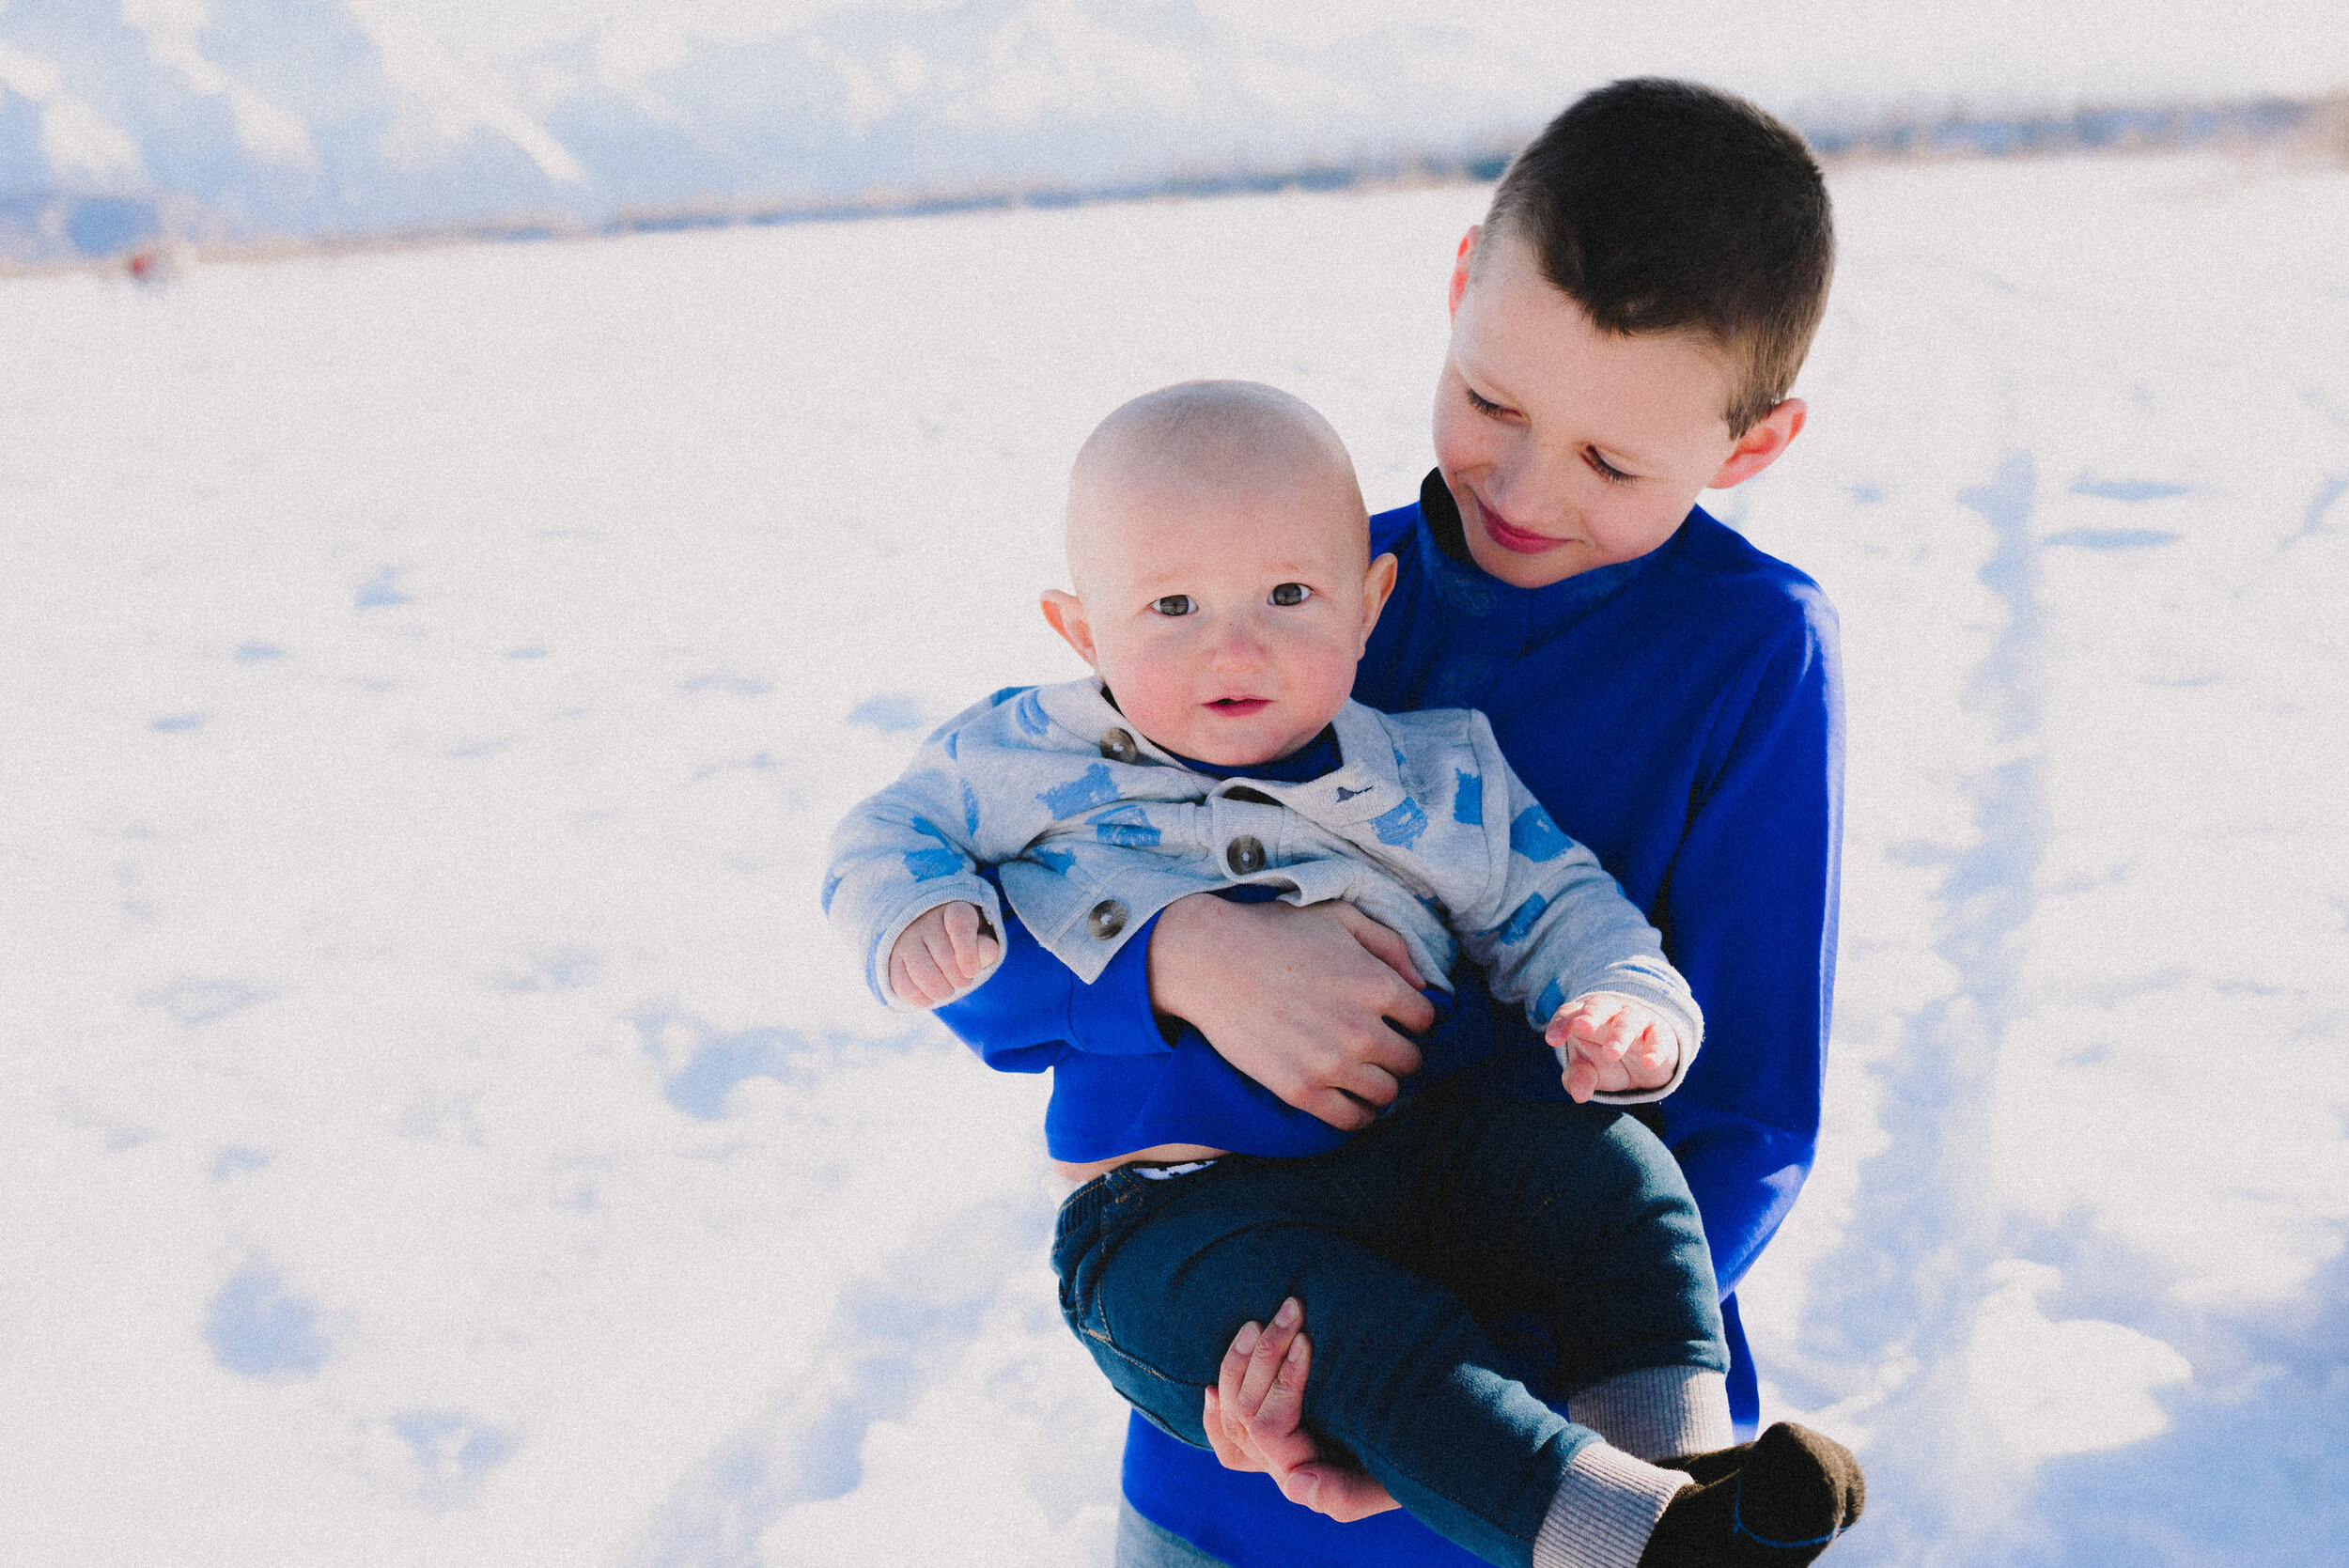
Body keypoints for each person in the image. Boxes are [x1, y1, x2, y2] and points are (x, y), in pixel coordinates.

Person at [916, 78, 1850, 1568]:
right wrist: (1179, 962)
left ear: (1750, 444)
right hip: (1245, 1433)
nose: (1527, 488)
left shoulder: (1751, 652)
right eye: (1493, 404)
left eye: (1614, 463)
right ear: (1465, 279)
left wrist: (1476, 1416)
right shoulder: (1290, 589)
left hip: (1580, 1447)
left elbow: (1742, 1111)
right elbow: (986, 949)